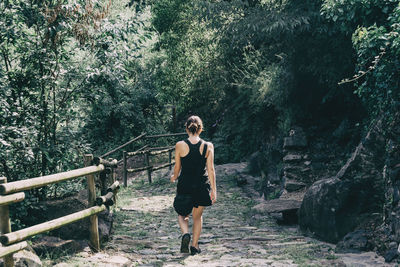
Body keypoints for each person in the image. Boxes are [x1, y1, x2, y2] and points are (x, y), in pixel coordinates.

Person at [170, 115, 217, 255]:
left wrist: (173, 177)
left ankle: (185, 233)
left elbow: (177, 168)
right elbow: (211, 169)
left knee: (182, 213)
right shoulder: (208, 146)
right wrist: (214, 190)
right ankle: (195, 246)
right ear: (201, 128)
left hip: (185, 184)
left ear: (186, 129)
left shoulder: (180, 145)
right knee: (197, 217)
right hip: (201, 185)